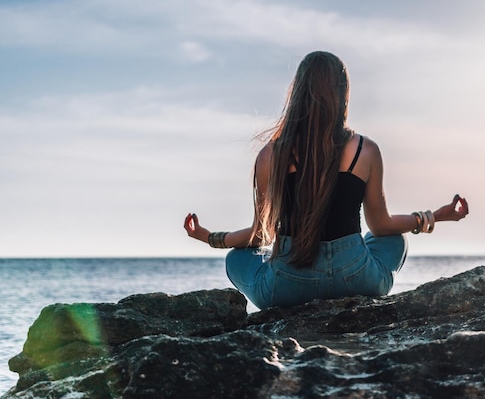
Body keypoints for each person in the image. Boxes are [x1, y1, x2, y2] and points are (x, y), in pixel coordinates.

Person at [184, 51, 468, 309]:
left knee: (236, 259)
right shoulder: (364, 150)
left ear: (297, 93)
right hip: (357, 280)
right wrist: (434, 217)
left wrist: (209, 237)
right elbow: (381, 226)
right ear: (343, 93)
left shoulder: (271, 155)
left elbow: (261, 236)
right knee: (396, 240)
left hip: (288, 287)